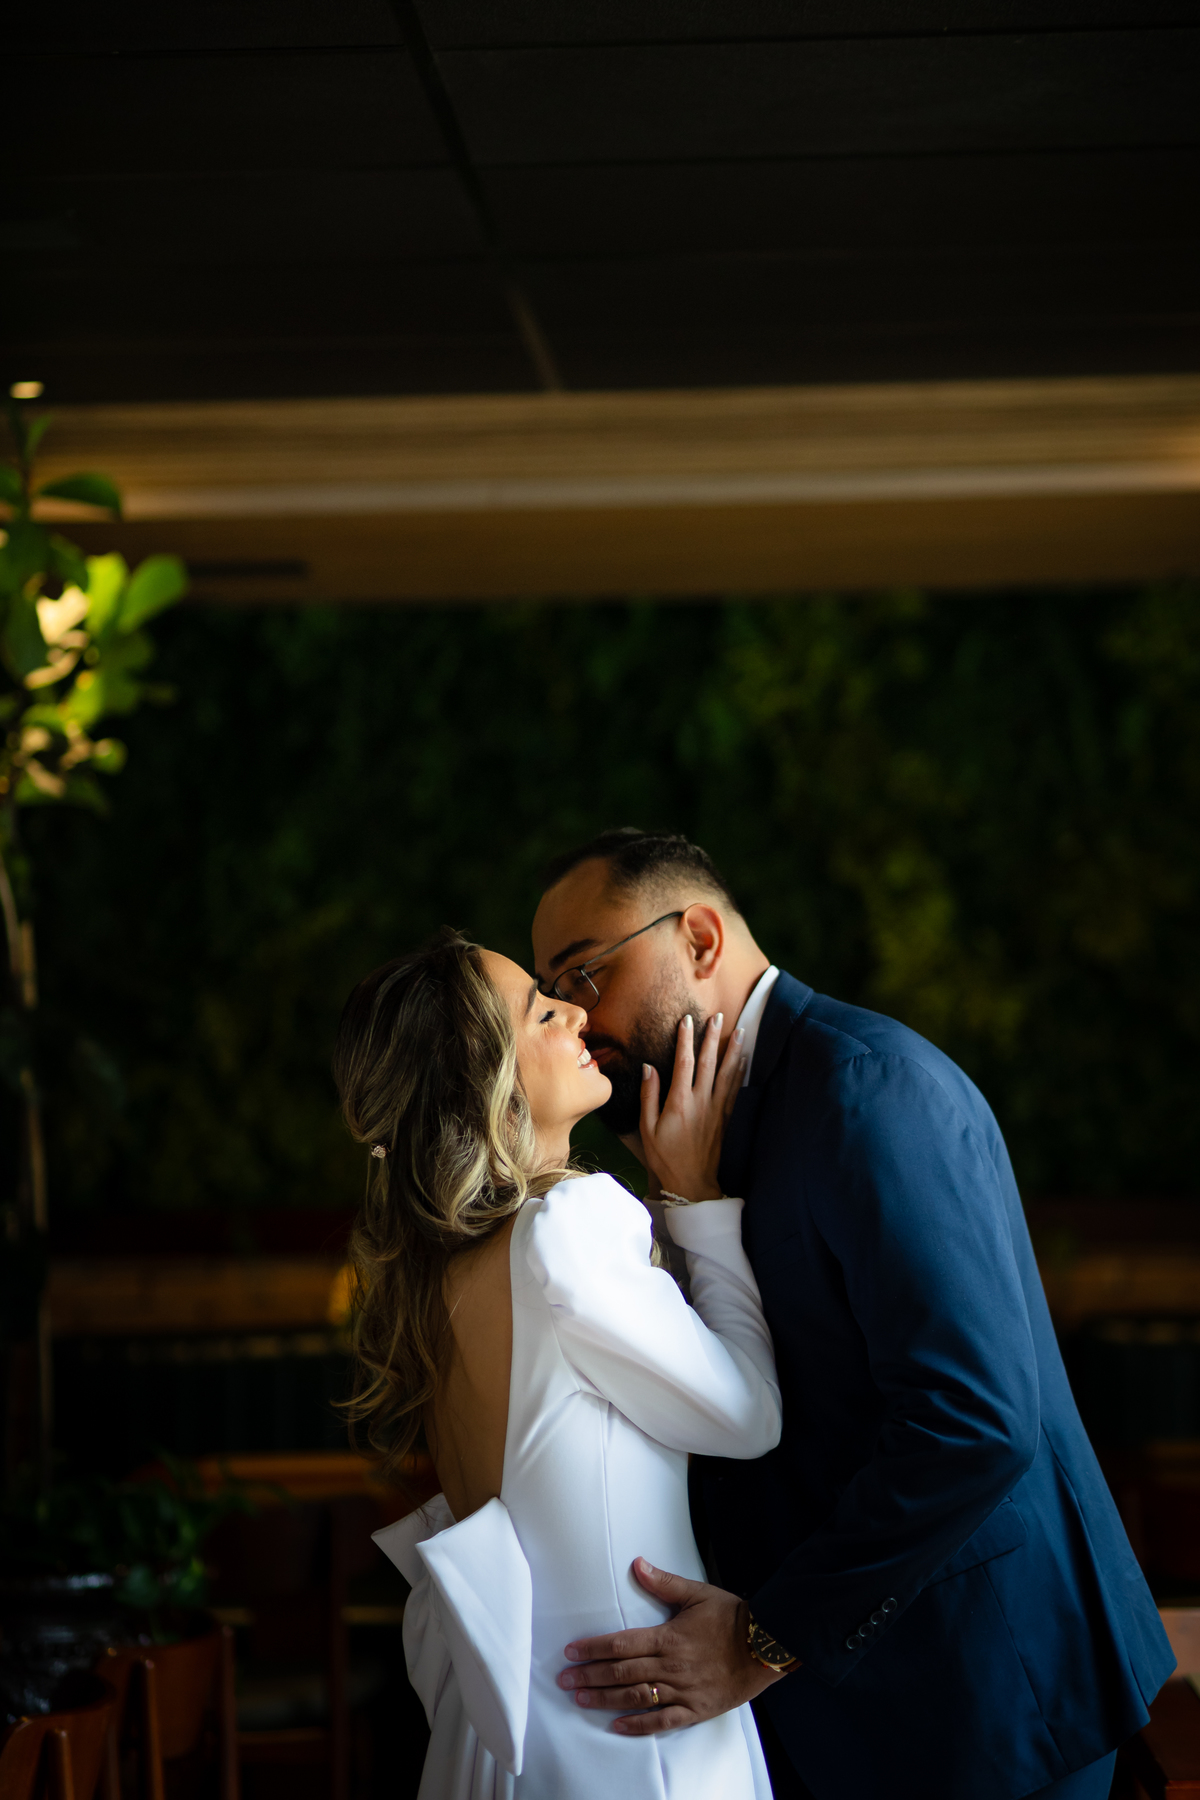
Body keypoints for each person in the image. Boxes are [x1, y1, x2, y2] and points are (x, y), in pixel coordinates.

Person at [532, 829, 1176, 1800]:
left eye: (586, 973)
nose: (577, 1020)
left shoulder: (867, 1088)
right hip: (847, 1712)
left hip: (984, 1695)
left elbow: (974, 1422)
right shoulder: (687, 1133)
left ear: (700, 938)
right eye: (554, 992)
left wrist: (763, 1639)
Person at [331, 928, 782, 1799]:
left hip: (503, 1747)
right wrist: (699, 1202)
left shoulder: (438, 1275)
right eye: (542, 1010)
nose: (576, 1009)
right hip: (633, 1740)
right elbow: (751, 1416)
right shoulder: (569, 1223)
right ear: (485, 1080)